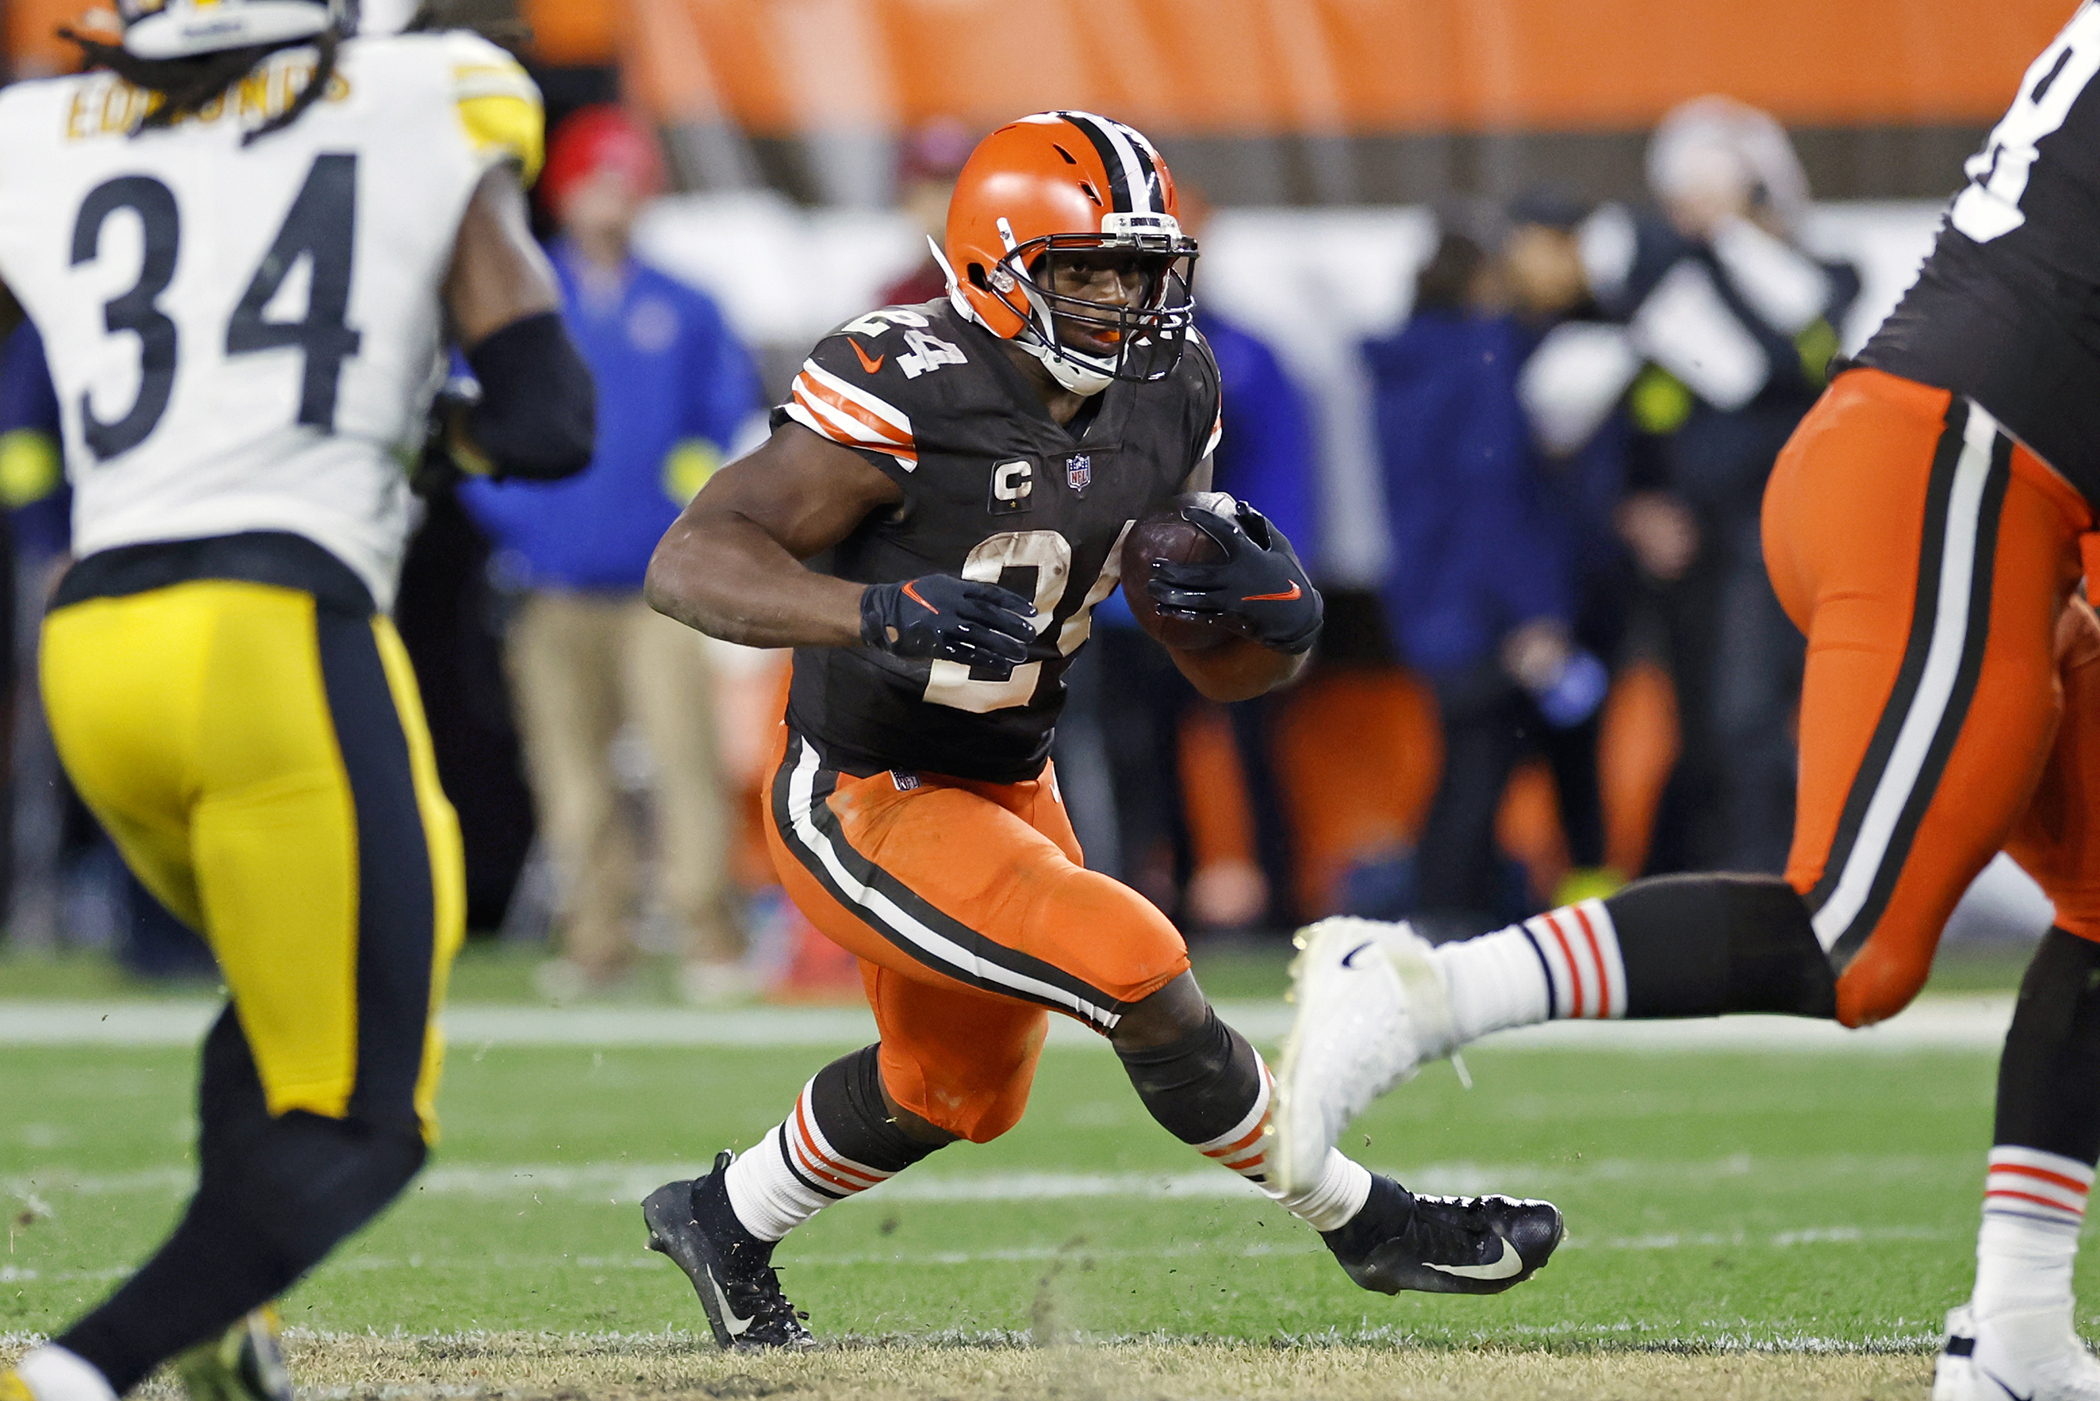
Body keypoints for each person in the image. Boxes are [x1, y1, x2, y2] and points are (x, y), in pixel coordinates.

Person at [635, 110, 1564, 1350]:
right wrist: (869, 611)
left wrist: (1259, 630)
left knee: (956, 1089)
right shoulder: (906, 378)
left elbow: (1217, 668)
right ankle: (1372, 1224)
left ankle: (722, 1216)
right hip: (866, 785)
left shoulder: (1175, 390)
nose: (1125, 298)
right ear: (993, 262)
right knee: (1132, 963)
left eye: (1142, 268)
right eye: (1086, 271)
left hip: (1012, 775)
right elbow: (691, 559)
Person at [1275, 10, 2100, 1399]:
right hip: (1959, 471)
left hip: (1955, 469)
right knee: (1857, 939)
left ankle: (2018, 1323)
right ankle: (1419, 989)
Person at [0, 0, 592, 1397]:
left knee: (286, 997)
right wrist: (418, 432)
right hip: (269, 638)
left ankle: (220, 1334)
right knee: (362, 1115)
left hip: (91, 645)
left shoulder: (39, 126)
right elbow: (548, 418)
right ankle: (81, 1373)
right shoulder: (420, 95)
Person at [460, 104, 761, 1004]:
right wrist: (522, 525)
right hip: (550, 582)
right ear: (565, 188)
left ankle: (709, 934)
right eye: (597, 178)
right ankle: (595, 938)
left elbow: (724, 428)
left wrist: (682, 518)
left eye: (627, 180)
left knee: (683, 760)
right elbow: (473, 432)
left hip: (659, 585)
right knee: (571, 771)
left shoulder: (686, 306)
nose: (612, 199)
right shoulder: (518, 298)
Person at [1367, 227, 1610, 937]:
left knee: (1464, 771)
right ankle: (1449, 928)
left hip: (1427, 594)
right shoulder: (1482, 362)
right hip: (1485, 602)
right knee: (1481, 775)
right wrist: (1535, 609)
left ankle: (1441, 918)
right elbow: (1495, 493)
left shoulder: (1404, 366)